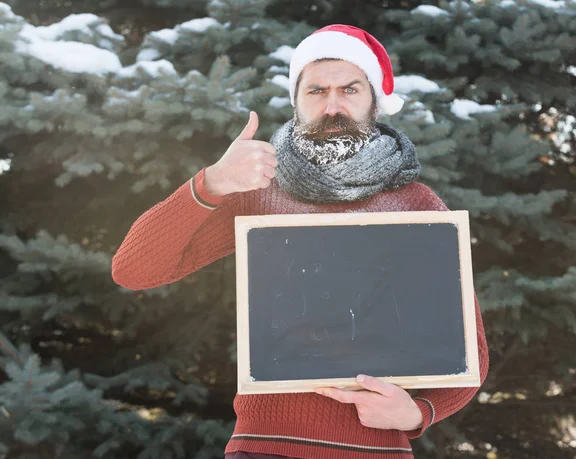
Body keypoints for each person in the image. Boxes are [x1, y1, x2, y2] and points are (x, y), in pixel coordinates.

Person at [112, 24, 489, 459]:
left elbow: (470, 355)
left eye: (350, 89)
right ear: (296, 101)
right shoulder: (256, 190)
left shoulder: (416, 204)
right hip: (263, 447)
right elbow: (133, 269)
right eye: (316, 91)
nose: (333, 106)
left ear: (374, 100)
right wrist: (211, 182)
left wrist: (417, 413)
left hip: (377, 451)